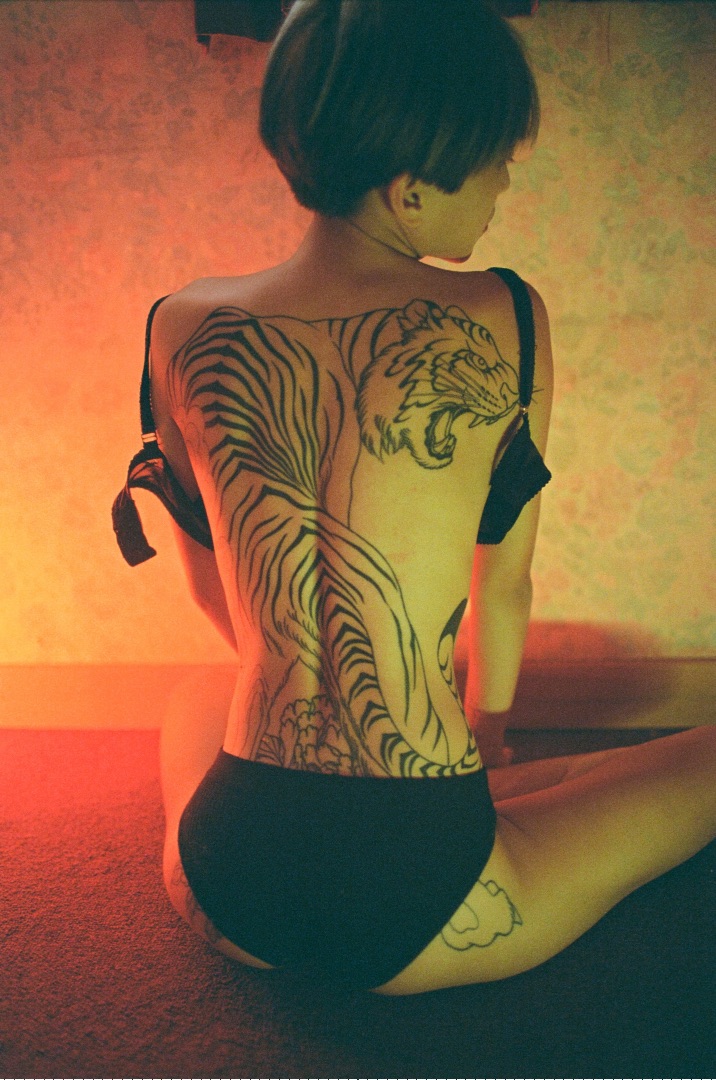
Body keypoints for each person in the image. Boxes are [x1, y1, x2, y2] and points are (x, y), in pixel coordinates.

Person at [113, 0, 716, 995]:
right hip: (436, 895)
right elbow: (503, 591)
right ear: (409, 190)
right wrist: (486, 734)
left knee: (193, 699)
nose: (504, 181)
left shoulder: (177, 321)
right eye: (493, 159)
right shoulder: (504, 313)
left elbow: (210, 590)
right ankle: (516, 795)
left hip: (225, 882)